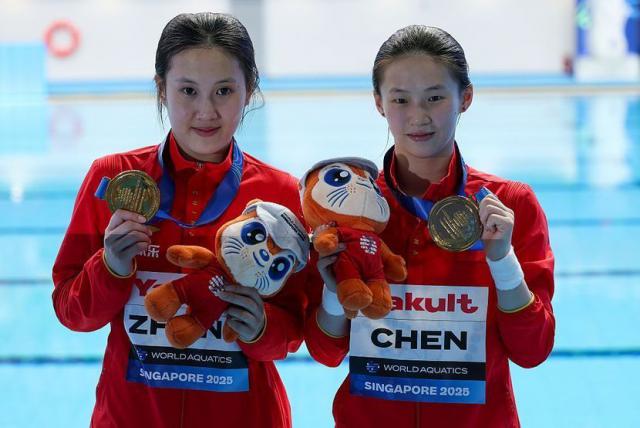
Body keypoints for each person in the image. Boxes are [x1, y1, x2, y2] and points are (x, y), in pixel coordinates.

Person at [52, 12, 307, 428]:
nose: (206, 111)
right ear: (161, 89)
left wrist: (263, 328)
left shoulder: (280, 195)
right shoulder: (113, 178)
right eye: (188, 90)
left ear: (249, 90)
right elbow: (71, 312)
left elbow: (296, 328)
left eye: (224, 90)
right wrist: (110, 267)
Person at [304, 25, 555, 427]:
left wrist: (502, 260)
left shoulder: (509, 205)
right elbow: (326, 352)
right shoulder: (348, 211)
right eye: (400, 99)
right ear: (379, 103)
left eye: (435, 97)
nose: (418, 116)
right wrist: (334, 290)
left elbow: (532, 351)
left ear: (465, 98)